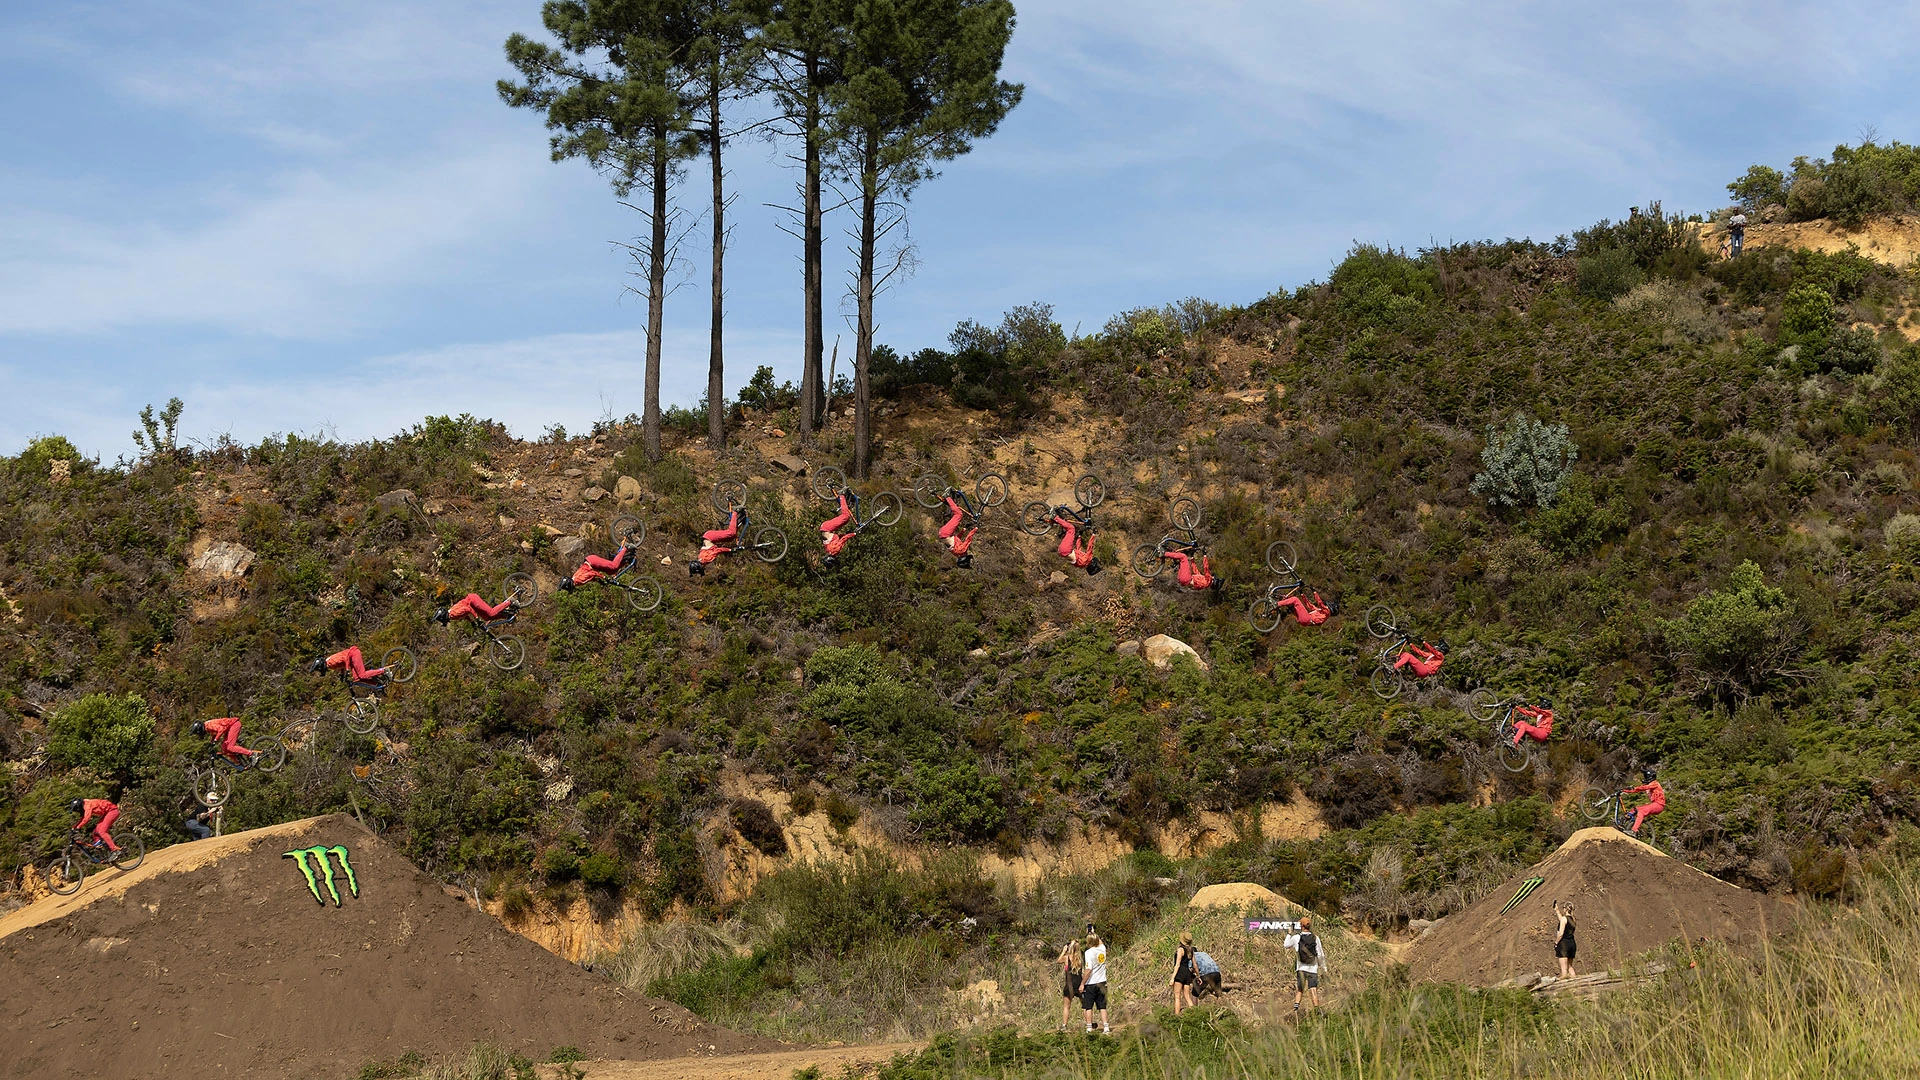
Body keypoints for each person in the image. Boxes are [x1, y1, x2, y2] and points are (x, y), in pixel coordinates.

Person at [1285, 915, 1324, 1015]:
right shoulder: (1316, 938)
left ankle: (1296, 1009)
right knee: (1313, 989)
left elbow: (1286, 945)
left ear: (1301, 926)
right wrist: (1322, 966)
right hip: (1313, 968)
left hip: (1301, 968)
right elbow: (1320, 954)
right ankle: (1316, 1010)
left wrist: (1289, 933)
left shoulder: (1297, 937)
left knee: (1300, 990)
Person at [559, 542, 633, 590]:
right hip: (591, 562)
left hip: (593, 562)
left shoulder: (578, 580)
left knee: (613, 566)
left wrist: (604, 577)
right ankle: (626, 560)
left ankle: (626, 547)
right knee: (611, 571)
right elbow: (590, 577)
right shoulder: (575, 579)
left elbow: (593, 573)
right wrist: (599, 581)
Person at [691, 509, 740, 575]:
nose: (704, 569)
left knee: (731, 533)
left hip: (710, 537)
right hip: (708, 537)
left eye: (702, 569)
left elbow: (718, 550)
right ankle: (739, 520)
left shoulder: (706, 559)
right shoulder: (701, 558)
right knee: (730, 538)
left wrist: (730, 550)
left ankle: (735, 511)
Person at [1080, 933, 1111, 1034]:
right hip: (1102, 982)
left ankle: (1089, 1027)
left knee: (1088, 1006)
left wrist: (1082, 983)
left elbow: (1088, 970)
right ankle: (1106, 1027)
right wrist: (1094, 932)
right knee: (1102, 1006)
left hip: (1091, 983)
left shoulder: (1088, 953)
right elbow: (1101, 943)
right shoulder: (1102, 949)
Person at [191, 717, 257, 764]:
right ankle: (239, 763)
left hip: (234, 725)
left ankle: (251, 754)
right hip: (228, 728)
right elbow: (215, 734)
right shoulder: (207, 727)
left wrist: (215, 741)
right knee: (224, 748)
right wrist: (211, 742)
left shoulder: (209, 725)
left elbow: (221, 729)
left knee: (230, 747)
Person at [309, 646, 386, 684]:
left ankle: (383, 671)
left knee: (362, 675)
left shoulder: (330, 662)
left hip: (353, 654)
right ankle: (377, 684)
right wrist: (342, 674)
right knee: (356, 678)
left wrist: (347, 670)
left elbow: (345, 658)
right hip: (351, 658)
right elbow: (341, 664)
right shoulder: (330, 664)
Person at [939, 493, 977, 569]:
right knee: (955, 514)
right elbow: (957, 538)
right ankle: (951, 500)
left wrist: (975, 529)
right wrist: (964, 529)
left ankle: (947, 496)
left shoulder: (962, 550)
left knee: (959, 514)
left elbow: (968, 539)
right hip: (943, 533)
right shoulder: (957, 553)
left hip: (946, 533)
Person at [820, 492, 858, 566]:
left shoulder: (834, 551)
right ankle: (849, 500)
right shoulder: (829, 550)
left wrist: (853, 534)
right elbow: (838, 538)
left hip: (827, 527)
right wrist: (848, 533)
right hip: (824, 528)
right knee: (845, 521)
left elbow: (843, 540)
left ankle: (842, 495)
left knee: (845, 516)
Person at [1625, 769, 1666, 834]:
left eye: (1646, 776)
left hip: (1659, 805)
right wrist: (1624, 790)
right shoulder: (1648, 785)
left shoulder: (1655, 783)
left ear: (1650, 777)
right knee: (1635, 809)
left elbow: (1645, 787)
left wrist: (1634, 788)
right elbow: (1637, 790)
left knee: (1641, 812)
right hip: (1654, 804)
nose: (1645, 778)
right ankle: (1624, 820)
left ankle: (1634, 830)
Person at [435, 593, 514, 625]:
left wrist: (476, 617)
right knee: (487, 617)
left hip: (472, 601)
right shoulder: (452, 613)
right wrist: (471, 621)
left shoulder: (452, 614)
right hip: (472, 603)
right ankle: (507, 616)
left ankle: (509, 602)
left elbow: (467, 609)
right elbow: (464, 614)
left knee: (491, 612)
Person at [1056, 939, 1083, 1031]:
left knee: (1066, 1006)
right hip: (1080, 983)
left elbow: (1058, 960)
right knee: (1085, 1005)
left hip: (1069, 984)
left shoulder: (1067, 958)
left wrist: (1064, 951)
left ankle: (1064, 1025)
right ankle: (1089, 1023)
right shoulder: (1080, 958)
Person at [1168, 932, 1197, 1014]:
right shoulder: (1191, 950)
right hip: (1187, 972)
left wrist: (1172, 978)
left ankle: (1176, 1016)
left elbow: (1177, 964)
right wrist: (1197, 974)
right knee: (1187, 996)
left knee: (1177, 997)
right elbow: (1194, 964)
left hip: (1180, 972)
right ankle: (1195, 1014)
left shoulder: (1180, 949)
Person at [1552, 900, 1577, 979]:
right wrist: (1557, 911)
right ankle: (1575, 982)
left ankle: (1564, 988)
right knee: (1570, 966)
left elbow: (1561, 933)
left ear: (1565, 909)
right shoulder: (1573, 919)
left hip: (1564, 944)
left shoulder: (1564, 919)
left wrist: (1556, 942)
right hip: (1572, 944)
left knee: (1564, 971)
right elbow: (1562, 920)